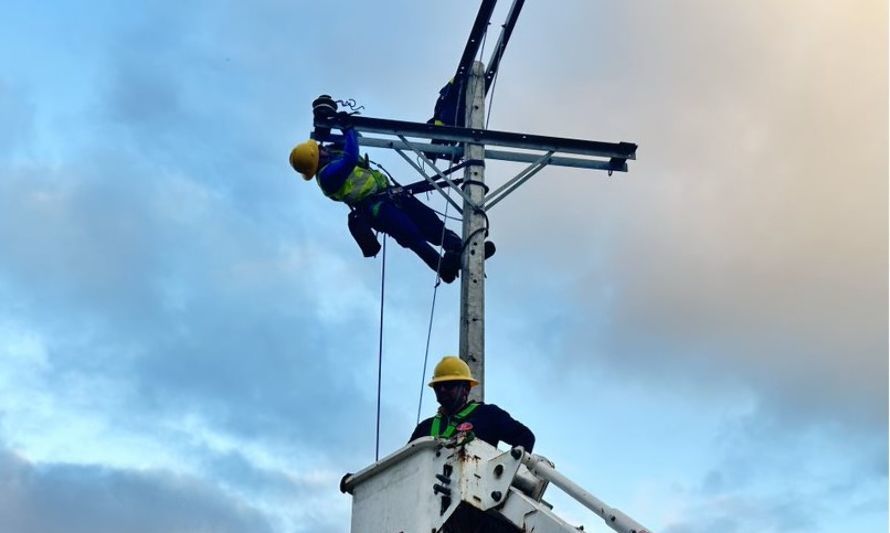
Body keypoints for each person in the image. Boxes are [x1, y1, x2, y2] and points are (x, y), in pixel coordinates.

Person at [289, 124, 494, 283]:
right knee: (411, 234)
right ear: (317, 157)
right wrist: (348, 128)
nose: (322, 147)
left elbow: (352, 143)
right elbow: (351, 158)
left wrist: (344, 129)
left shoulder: (332, 158)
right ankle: (443, 268)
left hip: (392, 195)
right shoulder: (327, 176)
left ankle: (461, 249)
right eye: (319, 149)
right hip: (377, 209)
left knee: (431, 224)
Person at [410, 356, 535, 452]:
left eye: (449, 385)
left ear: (466, 388)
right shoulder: (424, 428)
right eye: (438, 386)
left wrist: (505, 475)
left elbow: (525, 438)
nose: (442, 390)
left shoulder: (488, 415)